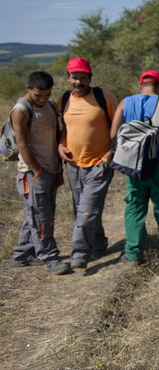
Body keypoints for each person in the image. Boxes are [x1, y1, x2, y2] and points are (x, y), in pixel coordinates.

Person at [110, 70, 159, 266]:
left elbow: (113, 134)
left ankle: (133, 254)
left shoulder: (125, 103)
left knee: (134, 205)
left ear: (140, 86)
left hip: (133, 163)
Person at [58, 57, 118, 269]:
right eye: (74, 78)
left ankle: (80, 252)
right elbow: (64, 128)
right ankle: (99, 242)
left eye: (83, 78)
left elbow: (118, 129)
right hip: (74, 165)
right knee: (83, 209)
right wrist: (60, 145)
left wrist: (109, 156)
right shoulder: (65, 99)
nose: (78, 82)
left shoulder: (104, 98)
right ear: (68, 78)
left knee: (87, 209)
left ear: (90, 78)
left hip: (99, 163)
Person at [10, 71, 70, 275]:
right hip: (33, 173)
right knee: (41, 217)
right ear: (28, 89)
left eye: (46, 94)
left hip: (52, 169)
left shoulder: (51, 105)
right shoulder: (21, 110)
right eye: (38, 95)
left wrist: (56, 167)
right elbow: (22, 145)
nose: (42, 99)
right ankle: (49, 257)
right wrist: (37, 172)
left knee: (36, 214)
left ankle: (22, 254)